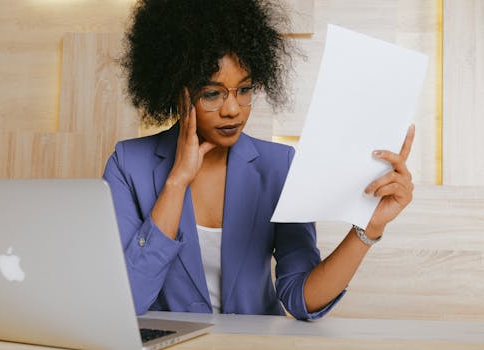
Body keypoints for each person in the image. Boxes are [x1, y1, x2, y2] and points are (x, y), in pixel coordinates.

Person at [103, 0, 414, 321]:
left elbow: (301, 299)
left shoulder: (278, 166)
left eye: (245, 89)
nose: (233, 109)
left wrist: (369, 226)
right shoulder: (128, 166)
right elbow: (128, 300)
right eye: (213, 93)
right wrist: (176, 181)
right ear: (176, 90)